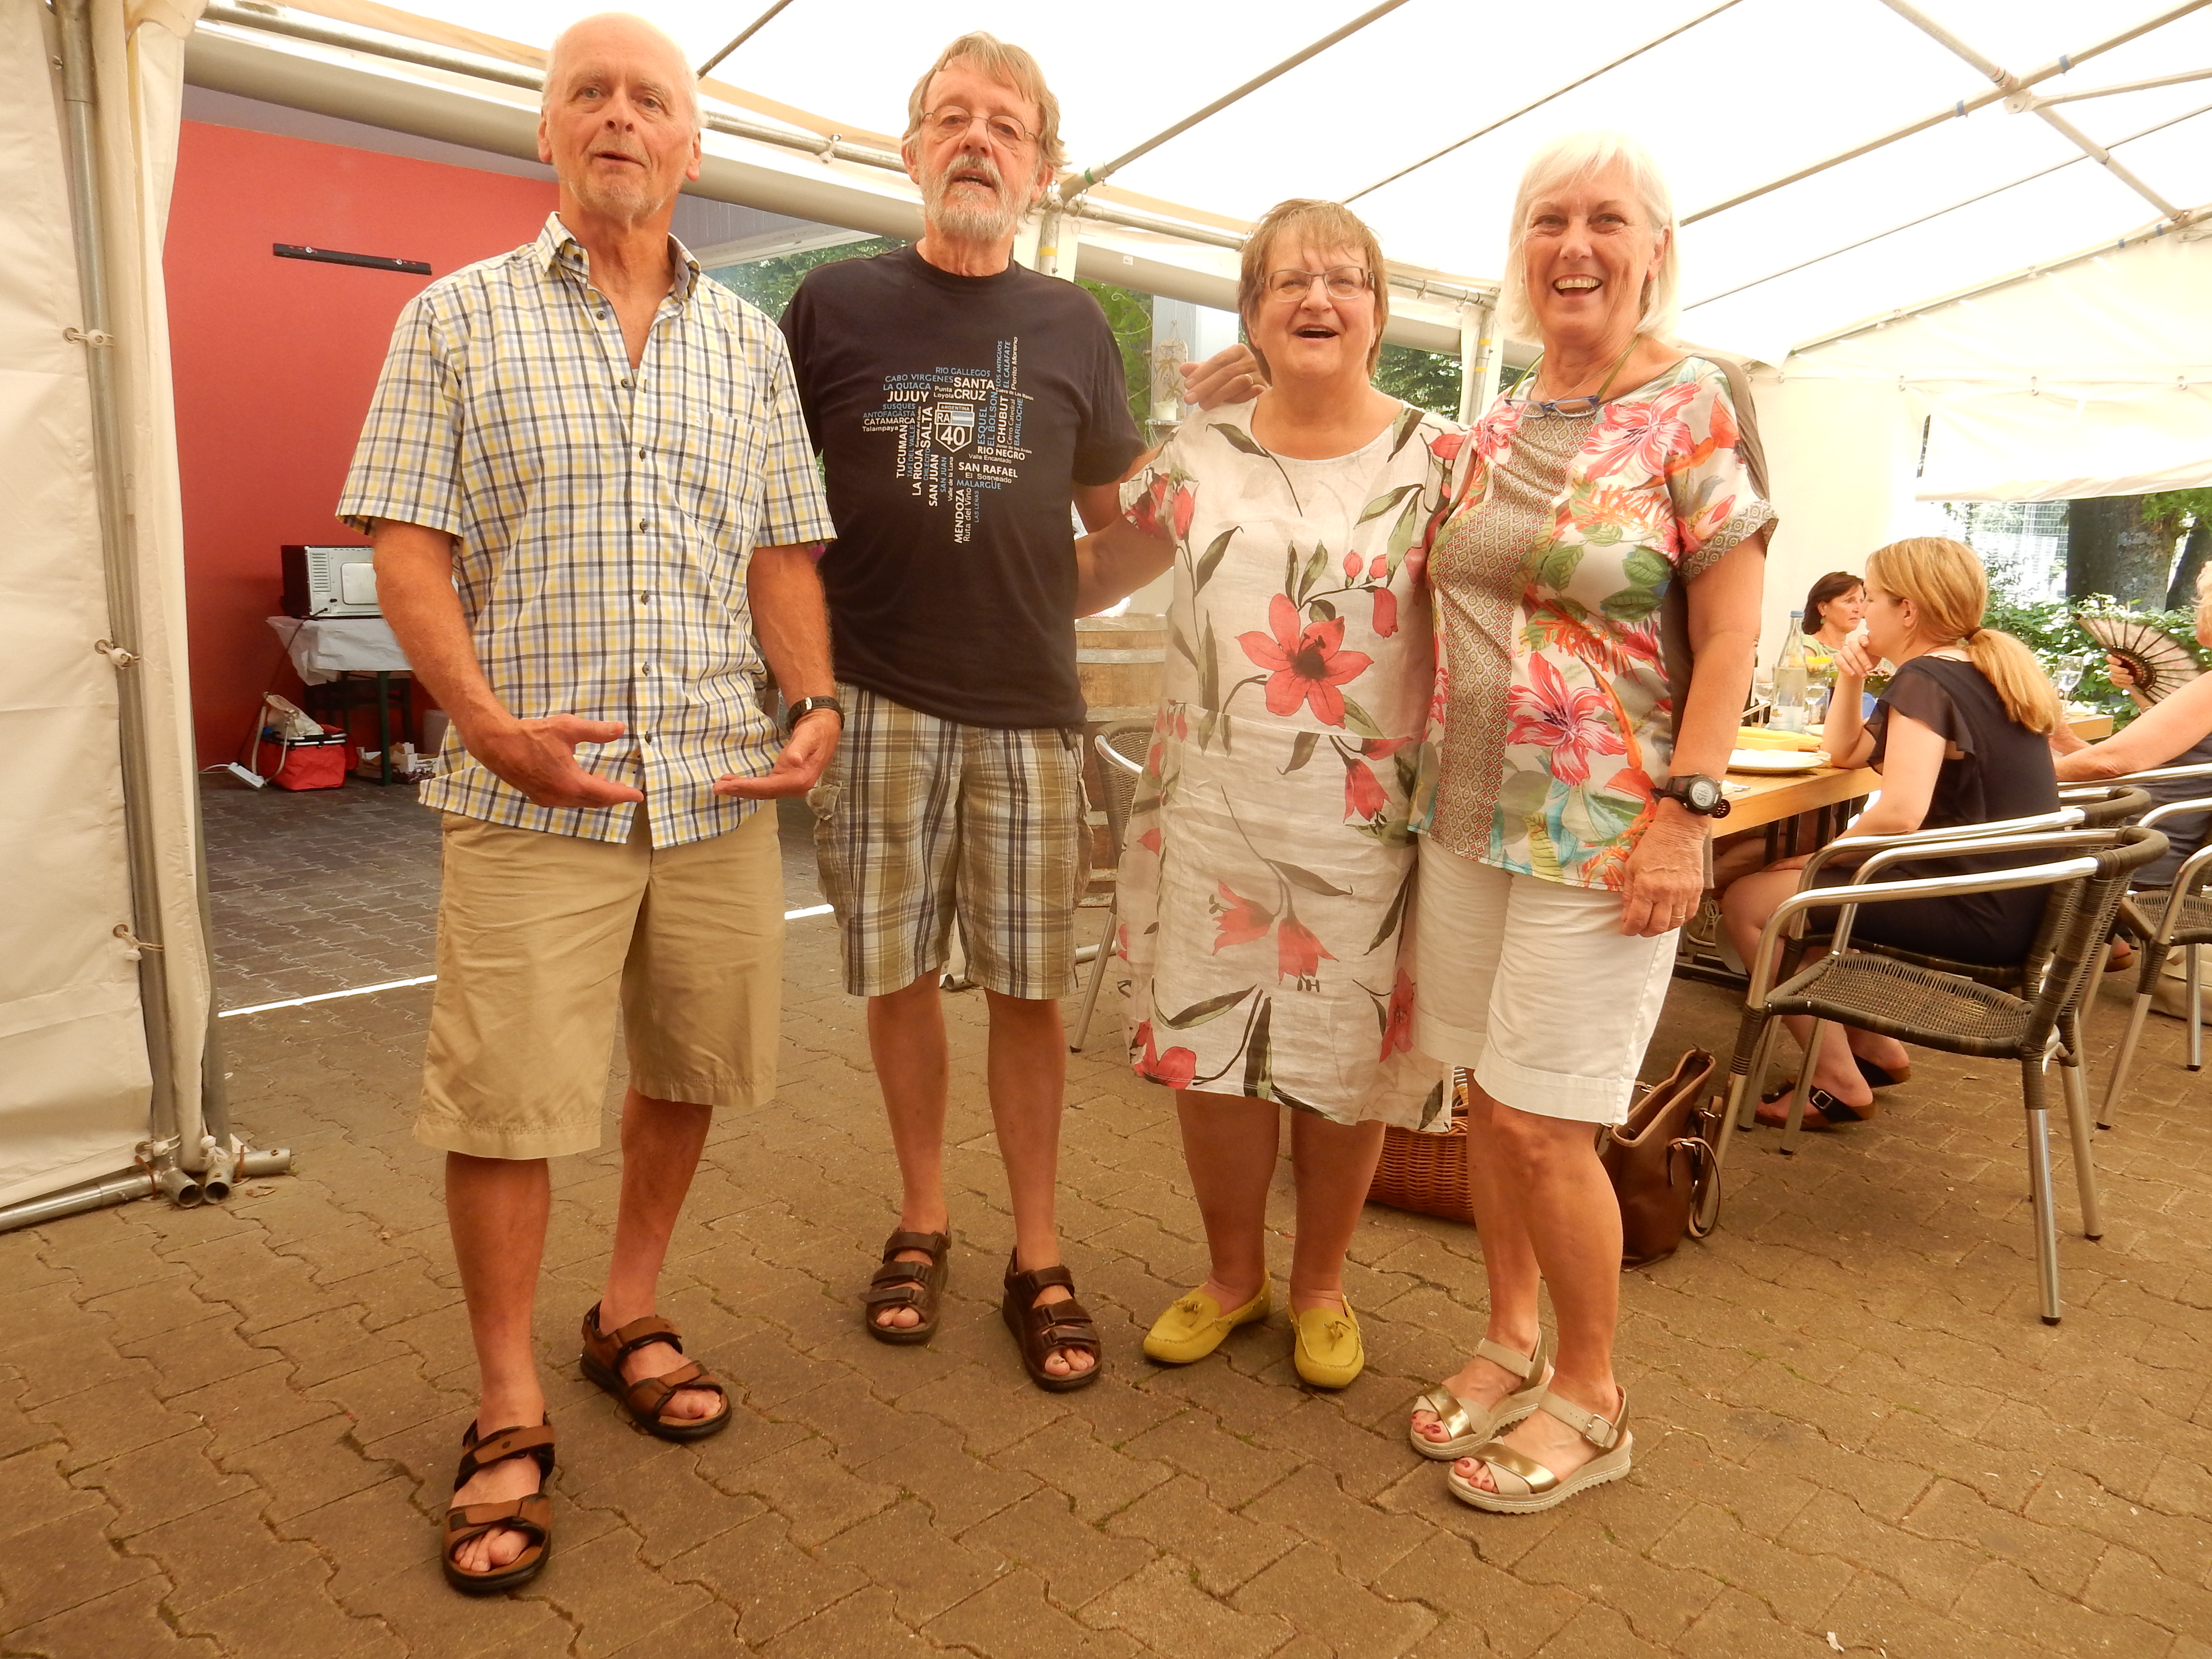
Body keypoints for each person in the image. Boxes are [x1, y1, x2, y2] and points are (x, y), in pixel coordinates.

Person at [338, 13, 839, 1593]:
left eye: (651, 99)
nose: (621, 117)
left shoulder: (748, 344)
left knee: (686, 1064)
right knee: (505, 1101)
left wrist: (816, 701)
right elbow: (404, 544)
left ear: (691, 142)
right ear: (545, 132)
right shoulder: (451, 320)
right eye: (590, 95)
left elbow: (781, 551)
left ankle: (628, 1307)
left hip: (714, 782)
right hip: (527, 788)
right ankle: (505, 1402)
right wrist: (485, 727)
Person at [781, 33, 1245, 1390]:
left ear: (1043, 170)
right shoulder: (831, 306)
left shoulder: (1072, 325)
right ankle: (923, 1216)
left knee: (1031, 989)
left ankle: (1037, 1250)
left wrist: (1201, 462)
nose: (977, 141)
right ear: (911, 150)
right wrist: (798, 681)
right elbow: (771, 514)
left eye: (1006, 126)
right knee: (897, 973)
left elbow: (1110, 535)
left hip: (1030, 707)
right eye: (953, 118)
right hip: (872, 698)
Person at [1404, 131, 1771, 1514]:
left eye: (1607, 220)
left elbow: (1729, 638)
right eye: (1549, 219)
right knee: (1486, 1103)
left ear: (1655, 249)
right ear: (1520, 250)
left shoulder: (1693, 405)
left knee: (1551, 1124)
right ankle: (1509, 1339)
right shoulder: (1494, 423)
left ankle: (1592, 1396)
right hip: (1465, 816)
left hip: (1604, 830)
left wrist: (1689, 811)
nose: (1575, 245)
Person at [1070, 199, 1452, 1391]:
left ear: (1379, 312)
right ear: (1252, 312)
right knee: (1212, 1053)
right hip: (1212, 814)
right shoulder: (1200, 453)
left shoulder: (1443, 462)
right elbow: (1097, 571)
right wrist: (951, 557)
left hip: (1367, 826)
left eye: (1345, 279)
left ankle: (1323, 1285)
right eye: (1290, 280)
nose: (1317, 299)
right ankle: (1234, 1277)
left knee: (1345, 1064)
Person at [1721, 537, 2064, 1125]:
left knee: (1752, 902)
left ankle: (1835, 1079)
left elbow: (1902, 812)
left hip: (1977, 907)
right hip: (2014, 900)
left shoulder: (1927, 679)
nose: (1862, 613)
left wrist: (1819, 858)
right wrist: (1851, 677)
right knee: (1817, 897)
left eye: (1872, 599)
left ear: (1908, 610)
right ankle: (1874, 1048)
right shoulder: (1977, 669)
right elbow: (1846, 752)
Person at [2051, 563, 2212, 1012]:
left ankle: (2027, 965)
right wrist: (2066, 742)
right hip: (2168, 843)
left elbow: (2111, 763)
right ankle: (2101, 942)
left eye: (2202, 600)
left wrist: (2015, 774)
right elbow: (2170, 764)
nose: (2197, 609)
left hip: (2139, 850)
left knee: (2000, 815)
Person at [1800, 569, 1866, 682]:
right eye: (1849, 601)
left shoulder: (1855, 651)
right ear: (1823, 608)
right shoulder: (1806, 645)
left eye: (1861, 601)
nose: (1859, 609)